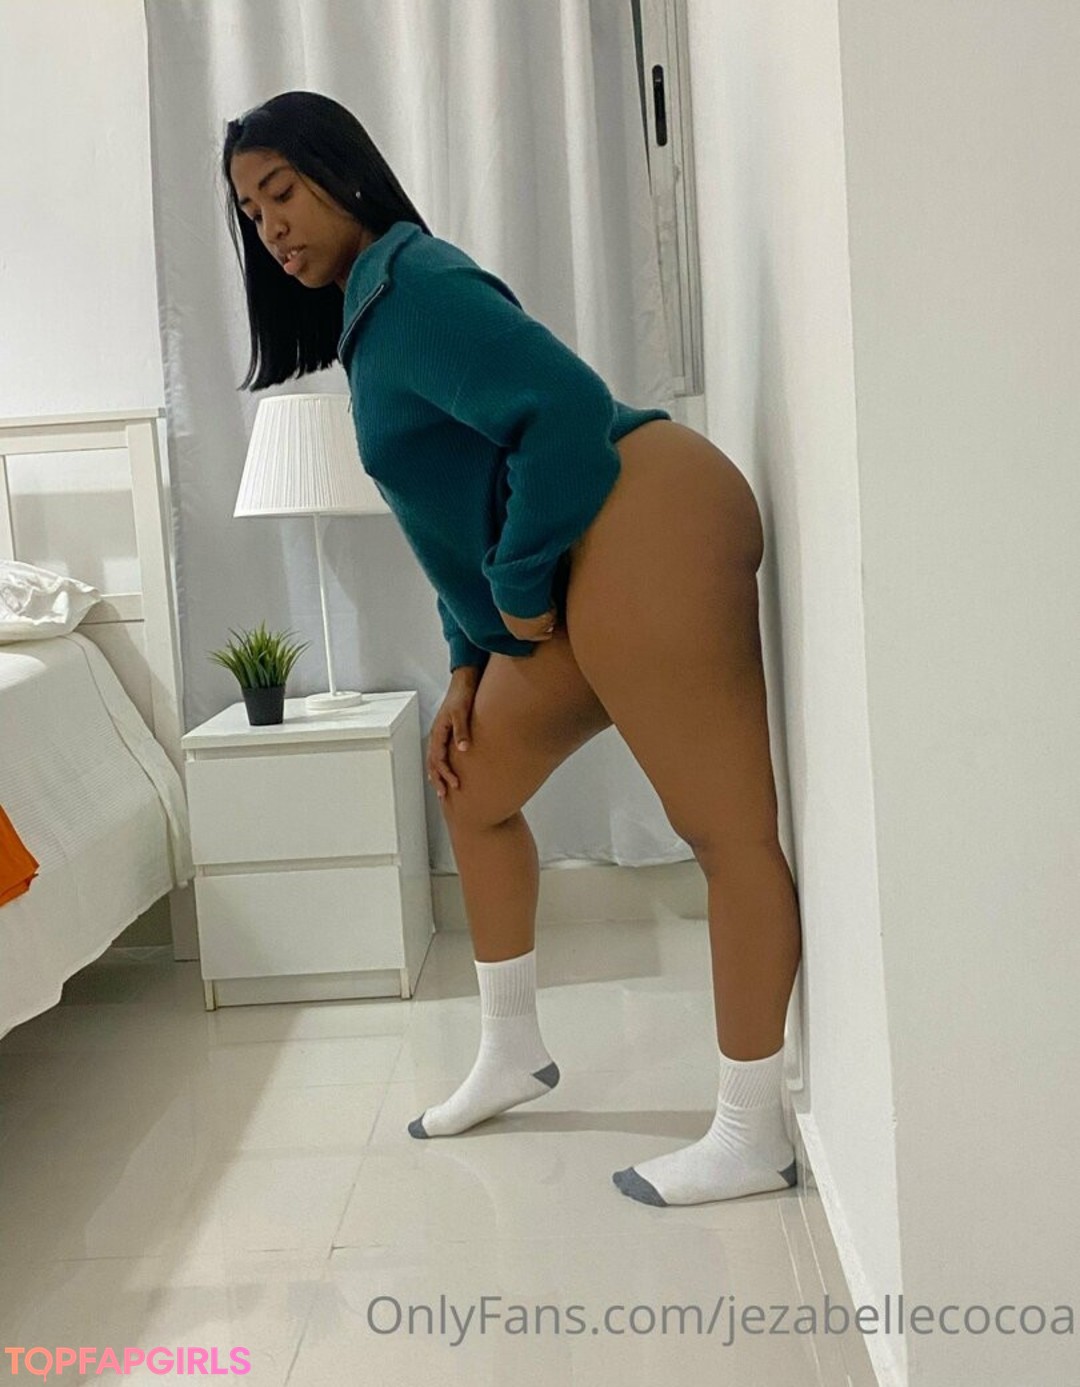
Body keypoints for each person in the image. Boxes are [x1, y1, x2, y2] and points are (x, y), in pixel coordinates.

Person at [224, 90, 802, 1207]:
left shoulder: (415, 283)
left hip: (644, 514)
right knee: (472, 785)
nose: (271, 226)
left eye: (281, 192)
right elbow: (455, 516)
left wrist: (523, 586)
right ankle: (511, 1049)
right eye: (251, 213)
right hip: (584, 560)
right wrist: (466, 666)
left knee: (724, 832)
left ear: (344, 174)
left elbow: (566, 412)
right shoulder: (369, 318)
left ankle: (752, 1130)